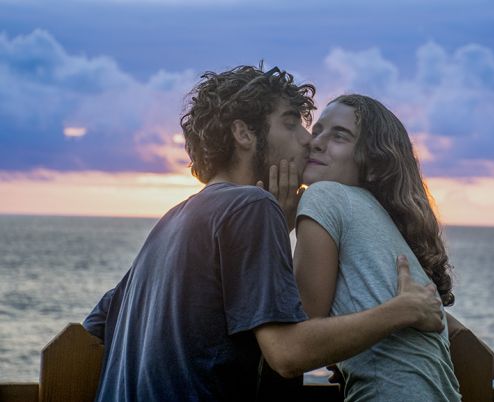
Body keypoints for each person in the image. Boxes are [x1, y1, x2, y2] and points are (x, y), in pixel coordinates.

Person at [83, 65, 445, 402]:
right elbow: (287, 355)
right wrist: (400, 311)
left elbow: (93, 329)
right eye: (291, 124)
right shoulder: (254, 206)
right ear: (243, 134)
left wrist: (278, 228)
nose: (307, 140)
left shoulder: (170, 224)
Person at [294, 94, 462, 401]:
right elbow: (488, 362)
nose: (316, 143)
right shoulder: (382, 225)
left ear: (373, 165)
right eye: (317, 131)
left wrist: (277, 220)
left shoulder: (324, 196)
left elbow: (299, 336)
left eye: (339, 136)